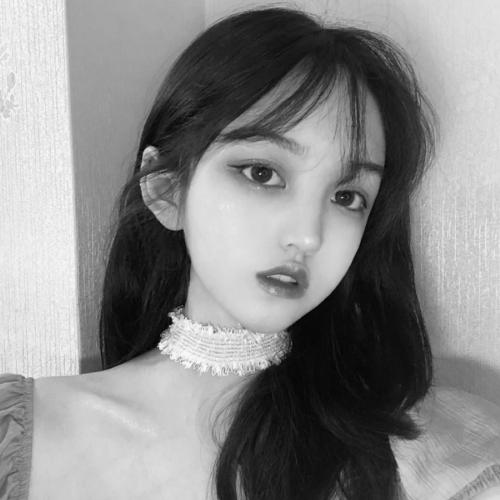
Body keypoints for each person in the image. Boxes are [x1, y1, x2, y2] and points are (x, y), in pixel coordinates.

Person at [1, 6, 499, 500]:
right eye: (263, 173)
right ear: (166, 188)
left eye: (347, 197)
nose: (308, 236)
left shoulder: (433, 452)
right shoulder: (16, 435)